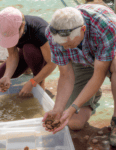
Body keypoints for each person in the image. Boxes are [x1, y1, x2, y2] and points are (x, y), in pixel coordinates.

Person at [42, 4, 116, 146]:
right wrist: (58, 109)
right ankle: (92, 95)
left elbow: (99, 75)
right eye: (60, 44)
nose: (63, 48)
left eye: (68, 43)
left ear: (83, 30)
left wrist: (73, 107)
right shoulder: (52, 33)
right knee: (74, 123)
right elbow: (65, 74)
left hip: (108, 57)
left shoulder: (105, 27)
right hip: (82, 61)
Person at [0, 7, 56, 96]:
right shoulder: (5, 28)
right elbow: (13, 55)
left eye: (14, 35)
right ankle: (28, 68)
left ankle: (40, 81)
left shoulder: (41, 31)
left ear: (23, 25)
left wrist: (33, 82)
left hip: (41, 55)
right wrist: (7, 76)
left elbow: (52, 63)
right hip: (24, 53)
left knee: (29, 49)